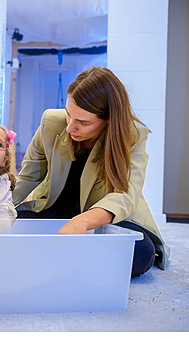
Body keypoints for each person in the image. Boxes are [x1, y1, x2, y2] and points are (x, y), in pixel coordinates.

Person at [13, 66, 170, 278]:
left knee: (140, 254)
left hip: (107, 218)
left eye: (83, 122)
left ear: (109, 120)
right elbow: (28, 177)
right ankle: (76, 260)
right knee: (10, 226)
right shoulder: (51, 123)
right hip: (57, 212)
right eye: (69, 115)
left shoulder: (133, 135)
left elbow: (126, 194)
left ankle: (52, 258)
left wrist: (84, 221)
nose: (70, 127)